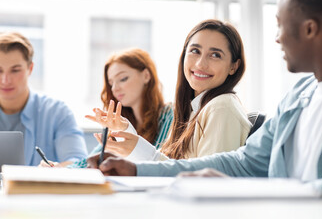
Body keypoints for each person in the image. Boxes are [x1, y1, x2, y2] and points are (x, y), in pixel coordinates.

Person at [88, 0, 322, 200]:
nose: (277, 37)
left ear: (310, 29)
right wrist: (136, 170)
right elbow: (243, 162)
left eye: (280, 24)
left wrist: (257, 192)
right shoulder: (300, 95)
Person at [89, 19, 251, 162]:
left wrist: (136, 146)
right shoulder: (194, 109)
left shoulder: (221, 106)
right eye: (195, 51)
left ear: (233, 66)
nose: (201, 64)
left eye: (215, 55)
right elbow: (167, 165)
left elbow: (207, 180)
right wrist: (126, 131)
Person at [69, 48, 173, 168]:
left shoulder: (169, 116)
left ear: (146, 76)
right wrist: (59, 169)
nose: (114, 88)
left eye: (123, 79)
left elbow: (165, 165)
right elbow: (87, 162)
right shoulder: (121, 125)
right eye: (111, 83)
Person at [0, 32, 88, 166]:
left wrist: (56, 170)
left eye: (15, 70)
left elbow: (79, 162)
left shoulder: (57, 113)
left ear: (30, 69)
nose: (5, 80)